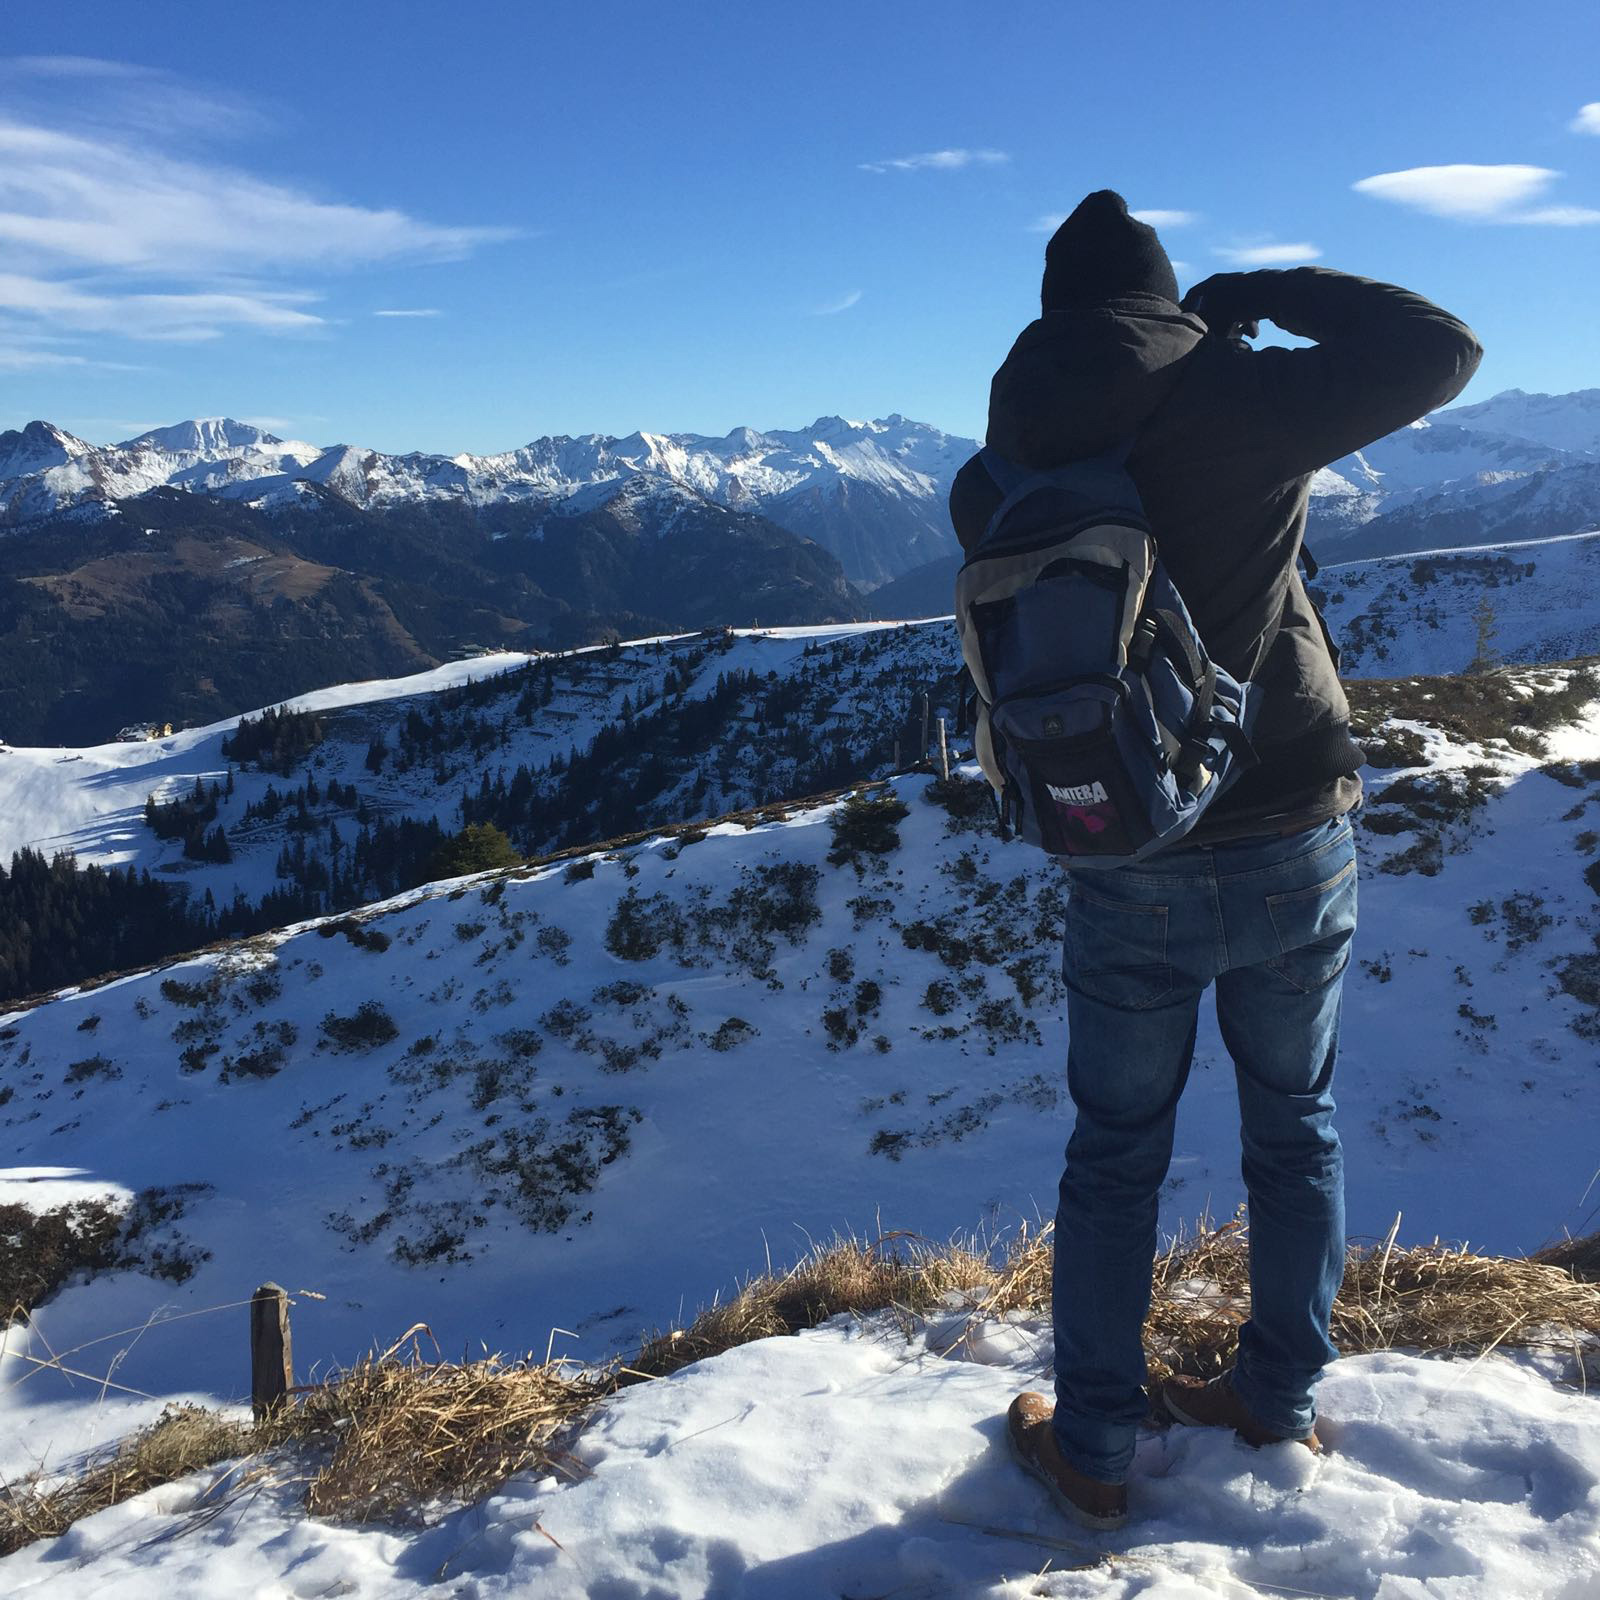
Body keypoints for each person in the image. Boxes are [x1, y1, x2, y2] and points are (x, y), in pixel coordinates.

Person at [948, 190, 1482, 1528]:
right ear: (1165, 303)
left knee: (1113, 1152)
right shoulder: (1237, 405)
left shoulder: (991, 473)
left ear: (1052, 319)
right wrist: (1259, 293)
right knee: (1293, 1126)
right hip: (1294, 830)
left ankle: (1097, 1451)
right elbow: (1442, 348)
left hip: (1119, 849)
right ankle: (1274, 1395)